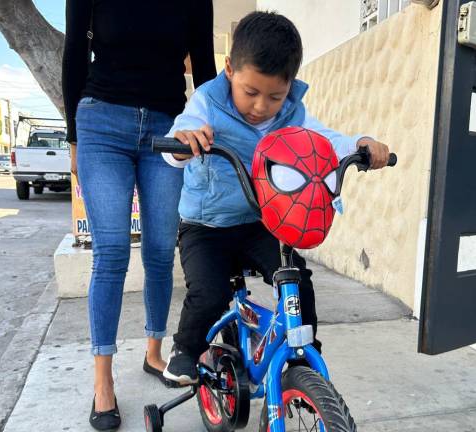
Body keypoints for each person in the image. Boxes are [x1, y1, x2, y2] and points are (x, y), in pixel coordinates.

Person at [161, 11, 391, 385]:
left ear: (290, 86)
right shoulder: (207, 100)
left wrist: (360, 145)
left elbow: (324, 140)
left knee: (297, 279)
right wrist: (186, 141)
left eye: (275, 96)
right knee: (210, 293)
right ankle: (185, 350)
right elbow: (177, 138)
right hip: (206, 227)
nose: (261, 106)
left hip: (258, 223)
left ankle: (303, 354)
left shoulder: (292, 113)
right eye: (250, 92)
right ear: (230, 69)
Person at [62, 1, 216, 429]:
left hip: (170, 126)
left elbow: (204, 66)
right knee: (110, 252)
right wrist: (74, 139)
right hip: (101, 121)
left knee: (161, 249)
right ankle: (103, 381)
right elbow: (75, 51)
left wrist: (213, 135)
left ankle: (153, 351)